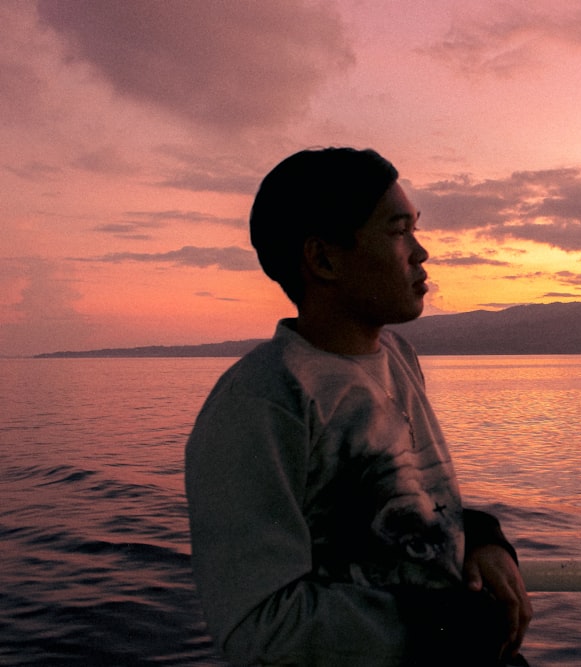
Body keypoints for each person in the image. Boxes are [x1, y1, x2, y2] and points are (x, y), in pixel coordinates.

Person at [185, 147, 532, 666]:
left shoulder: (397, 357)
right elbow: (258, 627)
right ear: (324, 259)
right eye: (398, 231)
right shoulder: (264, 402)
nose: (421, 253)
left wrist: (480, 537)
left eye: (415, 229)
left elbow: (402, 499)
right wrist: (443, 626)